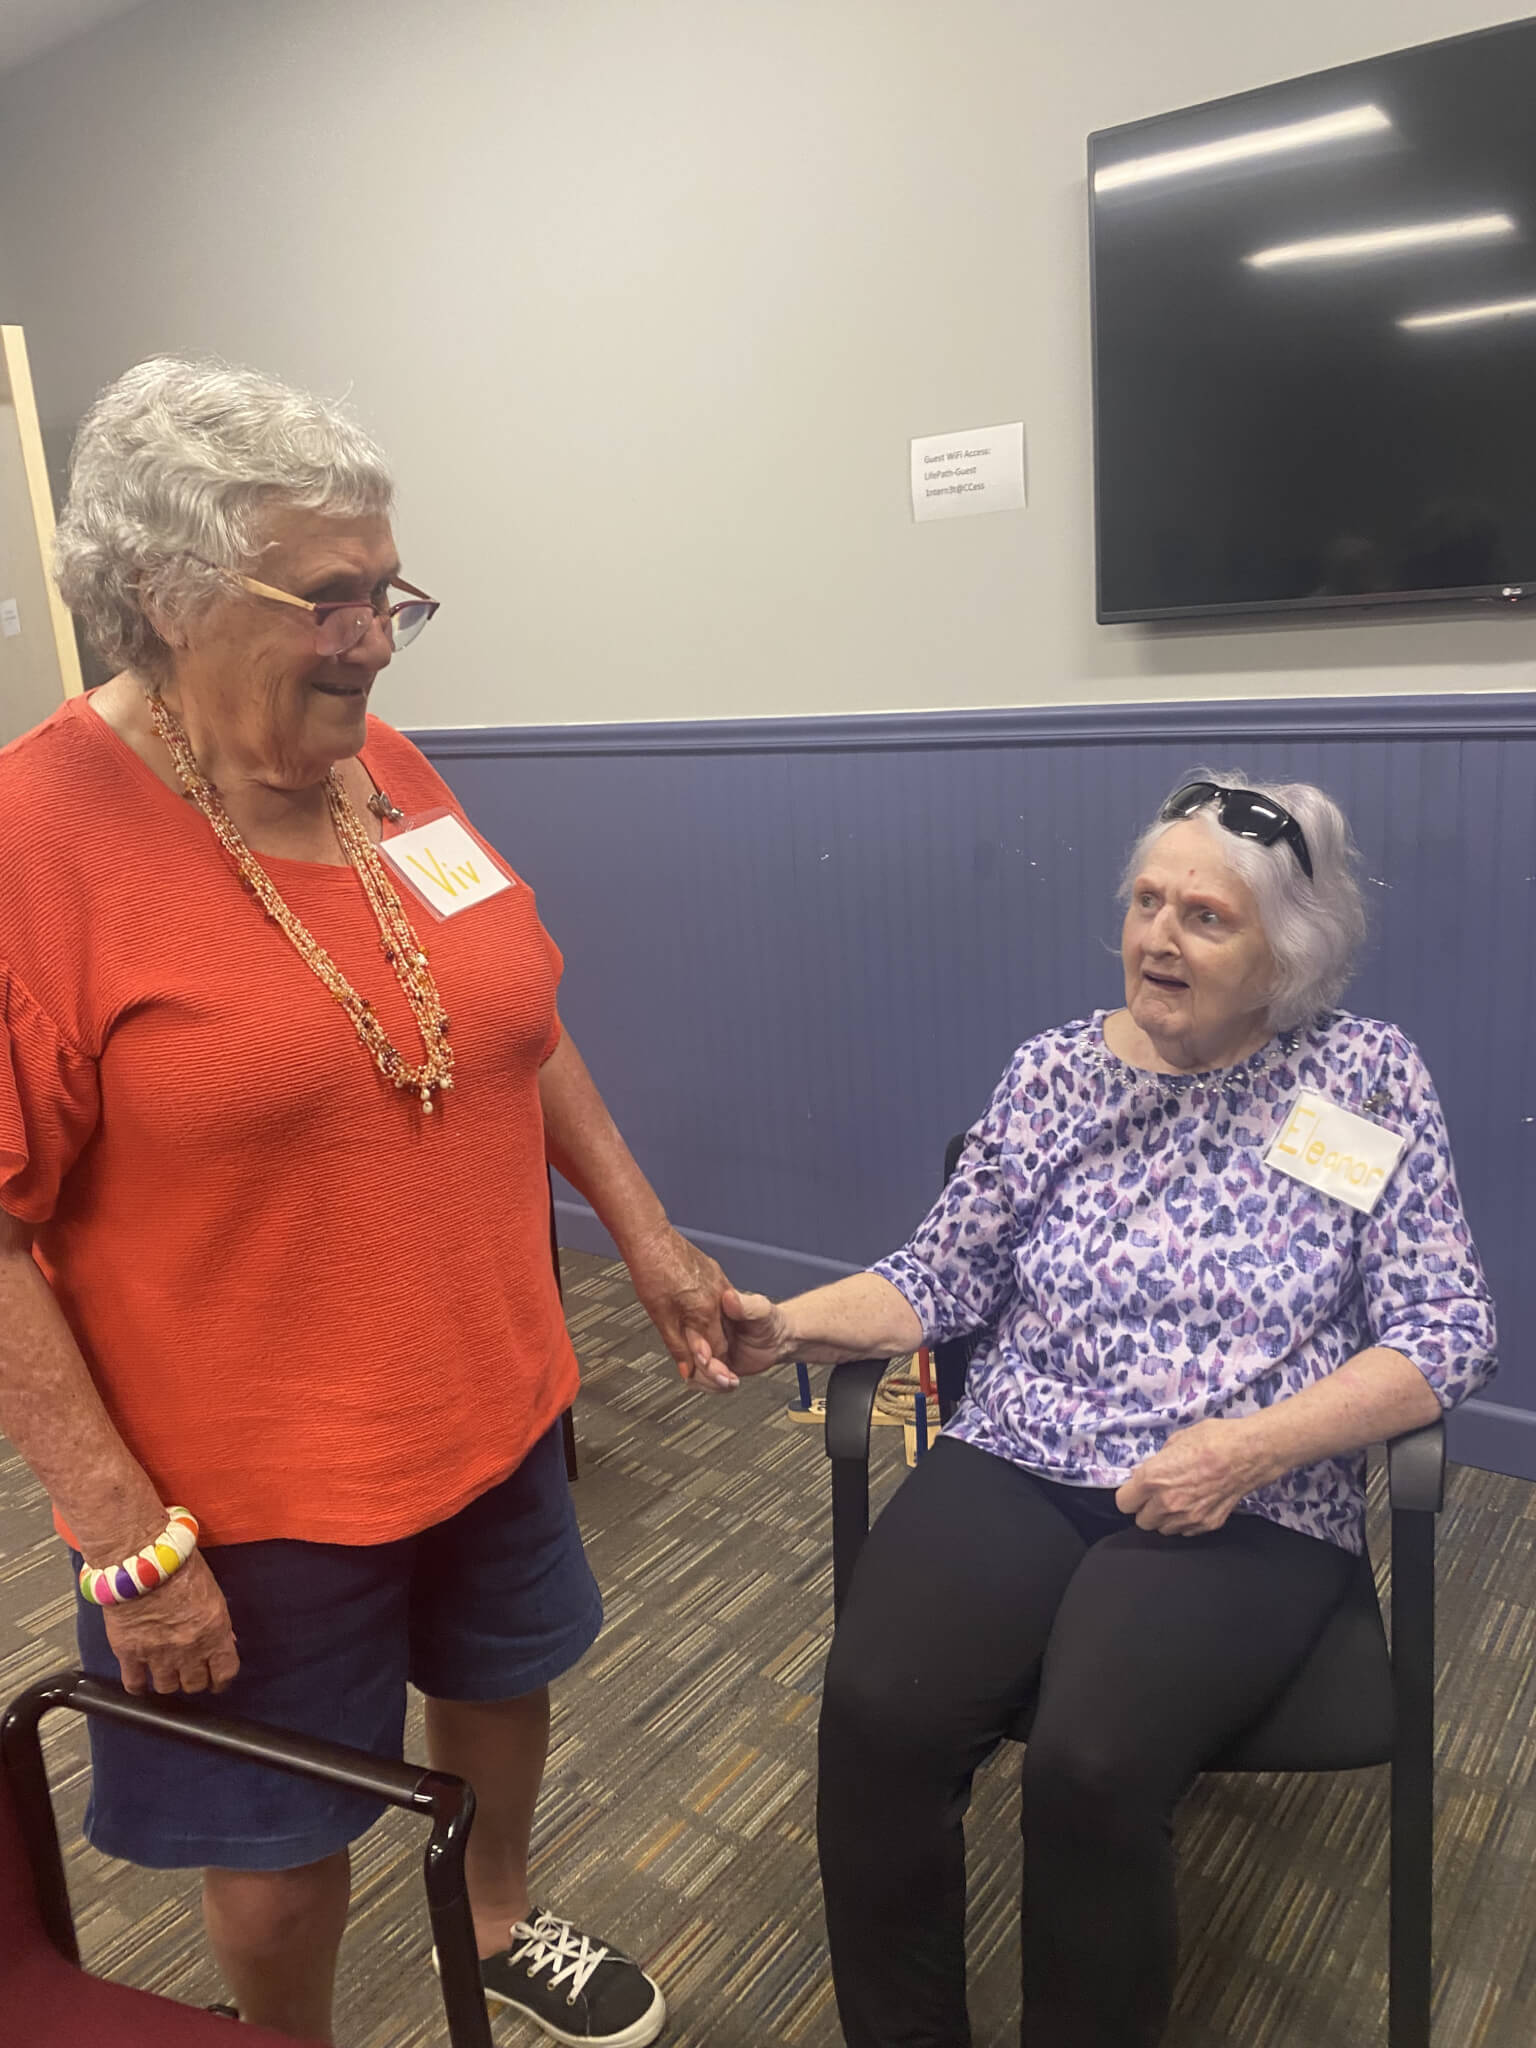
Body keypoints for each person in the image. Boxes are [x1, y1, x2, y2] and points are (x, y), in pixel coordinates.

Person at [0, 356, 741, 2047]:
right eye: (328, 597)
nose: (377, 634)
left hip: (492, 1396)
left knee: (497, 1687)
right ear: (167, 591)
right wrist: (123, 1532)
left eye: (388, 588)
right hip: (240, 1486)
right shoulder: (33, 840)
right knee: (280, 1830)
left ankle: (493, 1918)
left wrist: (643, 1232)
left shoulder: (383, 767)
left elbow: (513, 1023)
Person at [718, 775, 1496, 2048]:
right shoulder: (1051, 1073)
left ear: (1285, 950)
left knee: (1091, 1760)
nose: (1158, 937)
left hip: (1246, 1489)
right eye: (1146, 901)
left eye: (1205, 914)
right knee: (878, 1708)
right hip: (1025, 1445)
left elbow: (1447, 1326)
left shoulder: (1361, 1077)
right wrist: (786, 1324)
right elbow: (945, 1271)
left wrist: (1248, 1445)